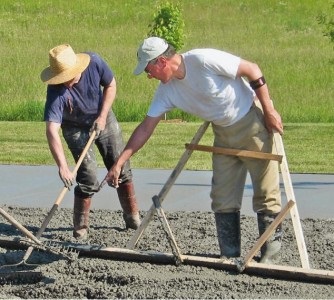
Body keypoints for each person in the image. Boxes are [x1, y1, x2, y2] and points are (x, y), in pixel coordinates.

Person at [105, 36, 284, 264]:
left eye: (149, 69)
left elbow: (252, 69)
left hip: (253, 125)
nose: (149, 76)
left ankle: (270, 256)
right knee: (222, 196)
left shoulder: (202, 60)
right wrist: (120, 162)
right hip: (223, 135)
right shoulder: (166, 91)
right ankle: (229, 255)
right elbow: (145, 128)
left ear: (161, 61)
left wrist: (269, 111)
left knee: (266, 193)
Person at [40, 44, 141, 240]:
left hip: (102, 115)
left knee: (120, 165)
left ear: (77, 69)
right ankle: (81, 227)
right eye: (61, 79)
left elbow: (111, 84)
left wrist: (102, 116)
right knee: (88, 176)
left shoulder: (94, 62)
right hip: (74, 127)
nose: (65, 83)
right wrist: (63, 167)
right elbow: (52, 129)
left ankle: (132, 217)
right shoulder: (55, 91)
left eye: (68, 77)